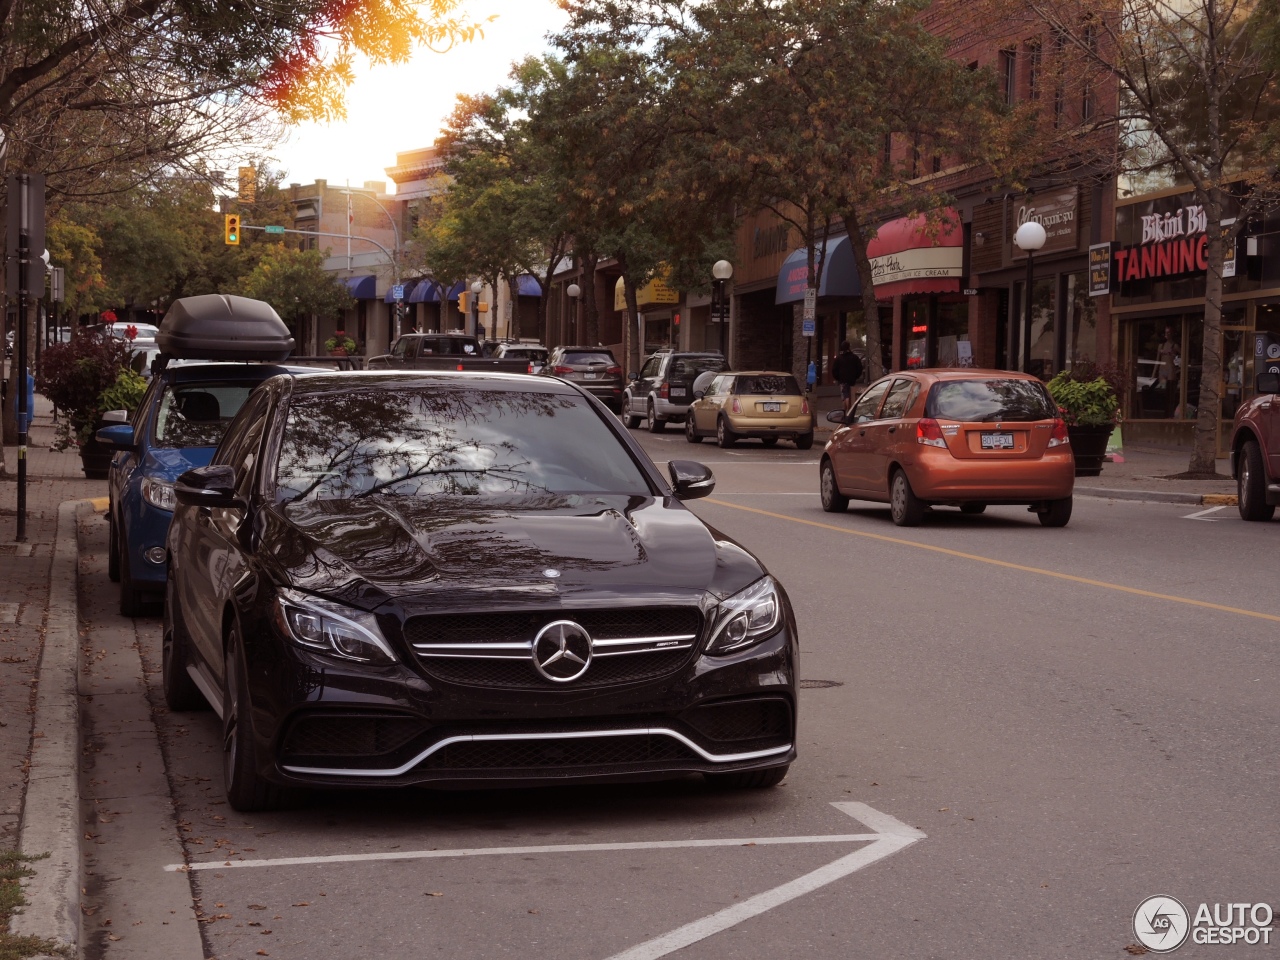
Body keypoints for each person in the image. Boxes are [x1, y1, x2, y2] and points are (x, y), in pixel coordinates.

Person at [831, 340, 864, 411]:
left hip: (843, 380)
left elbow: (834, 370)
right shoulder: (854, 357)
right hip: (852, 380)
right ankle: (850, 409)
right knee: (850, 394)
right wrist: (856, 376)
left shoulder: (839, 359)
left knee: (845, 396)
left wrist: (838, 378)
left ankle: (846, 411)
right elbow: (860, 368)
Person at [1156, 325, 1178, 417]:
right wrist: (1153, 374)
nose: (1167, 334)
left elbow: (1183, 356)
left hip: (1170, 370)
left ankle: (1170, 414)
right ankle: (1164, 413)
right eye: (1165, 332)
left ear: (1172, 334)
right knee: (1162, 393)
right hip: (1162, 370)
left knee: (1170, 392)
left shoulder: (1175, 345)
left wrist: (1178, 366)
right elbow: (1157, 360)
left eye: (1169, 333)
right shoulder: (1161, 346)